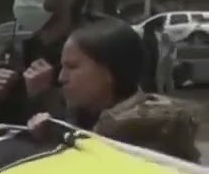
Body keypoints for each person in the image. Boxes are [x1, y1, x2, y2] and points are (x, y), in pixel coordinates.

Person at [29, 17, 199, 162]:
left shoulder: (141, 137)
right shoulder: (87, 119)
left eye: (72, 67)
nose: (61, 78)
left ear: (110, 72)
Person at [0, 0, 99, 125]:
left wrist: (46, 95)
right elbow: (2, 124)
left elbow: (91, 128)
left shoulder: (94, 53)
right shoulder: (18, 49)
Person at [156, 23, 178, 94]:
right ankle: (170, 91)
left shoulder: (164, 34)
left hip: (164, 59)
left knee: (161, 76)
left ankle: (162, 91)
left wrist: (164, 57)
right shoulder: (167, 34)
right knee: (168, 76)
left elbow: (170, 46)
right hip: (169, 59)